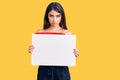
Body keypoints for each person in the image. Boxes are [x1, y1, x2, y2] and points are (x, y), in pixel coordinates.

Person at [28, 2, 80, 80]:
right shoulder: (40, 33)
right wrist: (32, 50)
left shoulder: (67, 33)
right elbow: (38, 54)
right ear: (47, 16)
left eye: (57, 16)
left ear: (62, 16)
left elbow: (68, 55)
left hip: (61, 71)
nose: (54, 20)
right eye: (51, 16)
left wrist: (75, 53)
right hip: (44, 70)